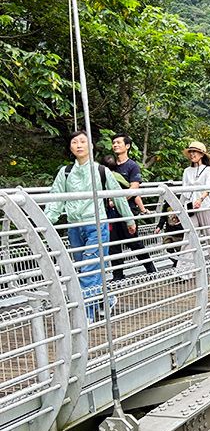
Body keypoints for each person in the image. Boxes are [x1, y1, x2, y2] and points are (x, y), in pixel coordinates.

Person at [44, 130, 135, 321]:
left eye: (83, 141)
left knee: (89, 269)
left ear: (90, 146)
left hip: (96, 224)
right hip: (75, 226)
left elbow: (118, 196)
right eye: (75, 142)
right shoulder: (65, 172)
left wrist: (129, 219)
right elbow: (55, 200)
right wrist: (45, 224)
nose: (79, 145)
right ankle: (107, 299)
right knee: (87, 267)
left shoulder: (101, 171)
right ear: (70, 147)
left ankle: (87, 315)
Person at [106, 133, 156, 282]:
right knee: (113, 244)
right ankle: (118, 276)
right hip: (111, 212)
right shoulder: (109, 166)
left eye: (119, 143)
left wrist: (116, 201)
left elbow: (133, 189)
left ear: (127, 146)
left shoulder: (132, 166)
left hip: (128, 210)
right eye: (114, 143)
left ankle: (151, 269)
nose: (115, 145)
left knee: (133, 241)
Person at [179, 141, 210, 269]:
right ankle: (185, 270)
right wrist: (178, 209)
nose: (192, 154)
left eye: (194, 151)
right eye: (190, 152)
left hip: (205, 206)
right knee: (189, 237)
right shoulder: (187, 171)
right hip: (190, 207)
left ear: (201, 154)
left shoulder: (208, 170)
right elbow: (184, 192)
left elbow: (209, 187)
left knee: (209, 237)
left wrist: (200, 199)